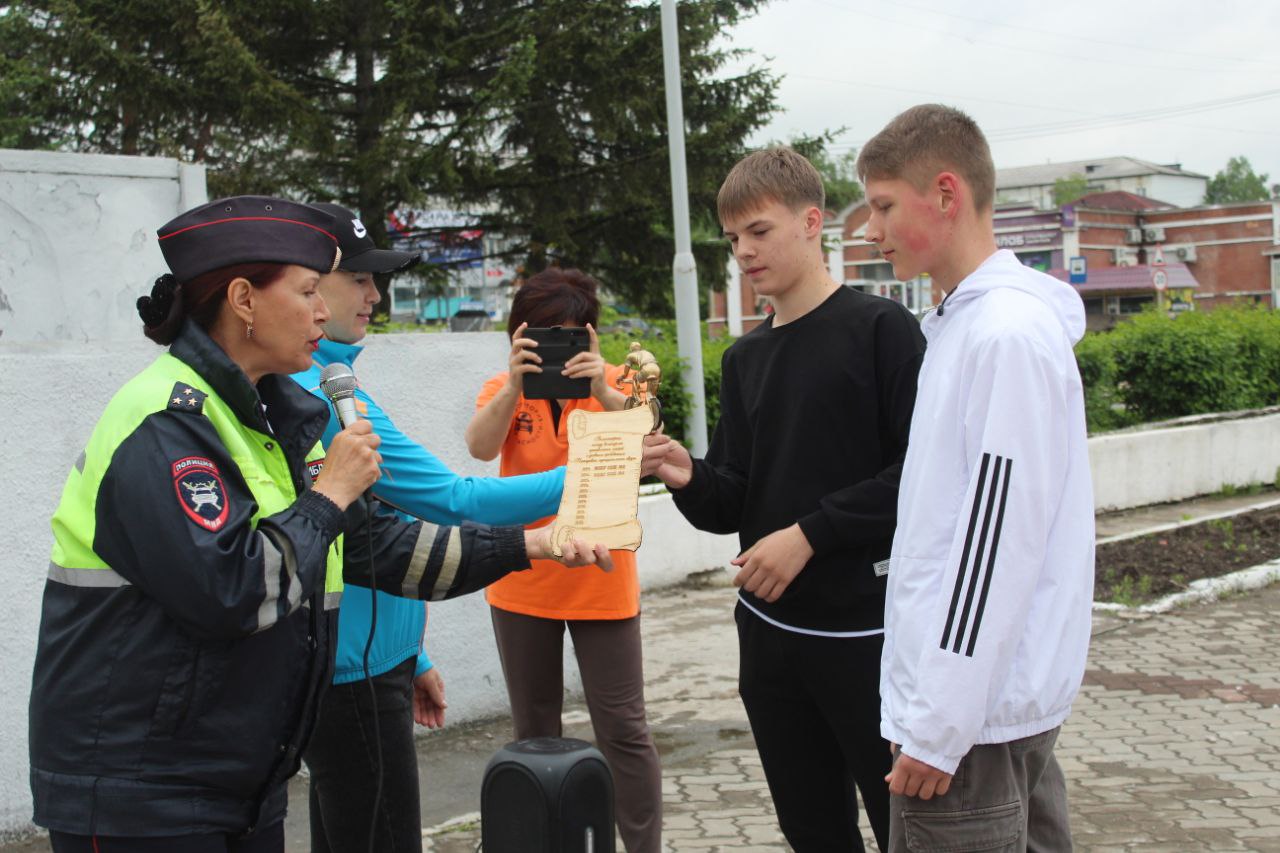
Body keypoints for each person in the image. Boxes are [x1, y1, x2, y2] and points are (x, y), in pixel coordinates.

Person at [29, 196, 609, 853]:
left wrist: (533, 543)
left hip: (239, 775)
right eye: (309, 291)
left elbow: (374, 545)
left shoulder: (272, 411)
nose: (325, 311)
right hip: (144, 788)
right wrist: (329, 493)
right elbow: (235, 588)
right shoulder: (165, 422)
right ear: (244, 300)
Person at [646, 147, 925, 852]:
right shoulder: (745, 358)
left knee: (908, 831)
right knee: (812, 833)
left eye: (759, 232)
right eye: (733, 239)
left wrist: (810, 533)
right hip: (769, 640)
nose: (743, 252)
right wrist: (686, 472)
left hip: (868, 633)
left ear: (811, 221)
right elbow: (734, 499)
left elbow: (922, 477)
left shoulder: (881, 330)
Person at [294, 202, 568, 852]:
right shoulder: (318, 392)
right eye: (356, 276)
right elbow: (453, 499)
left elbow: (367, 527)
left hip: (364, 663)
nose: (375, 294)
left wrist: (411, 652)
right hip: (353, 677)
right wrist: (588, 475)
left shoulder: (332, 381)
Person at [858, 104, 1094, 851]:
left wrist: (938, 724)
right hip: (985, 714)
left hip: (971, 728)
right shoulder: (966, 325)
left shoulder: (1003, 336)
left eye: (885, 205)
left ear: (947, 194)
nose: (871, 230)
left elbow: (993, 544)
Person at [464, 268, 664, 853]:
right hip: (522, 582)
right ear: (518, 335)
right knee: (534, 731)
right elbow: (479, 446)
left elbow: (652, 435)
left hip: (603, 580)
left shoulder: (619, 384)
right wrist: (513, 386)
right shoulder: (502, 386)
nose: (559, 345)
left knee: (624, 730)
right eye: (545, 333)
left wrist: (603, 385)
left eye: (572, 333)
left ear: (592, 335)